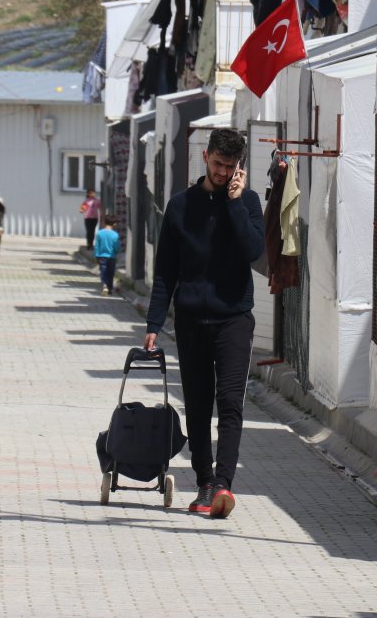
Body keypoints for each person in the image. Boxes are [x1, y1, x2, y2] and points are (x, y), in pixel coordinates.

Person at [144, 128, 264, 519]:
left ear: (239, 167)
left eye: (230, 167)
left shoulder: (248, 202)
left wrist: (232, 204)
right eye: (217, 164)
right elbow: (165, 272)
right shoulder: (180, 206)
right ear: (205, 158)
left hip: (234, 319)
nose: (223, 172)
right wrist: (153, 323)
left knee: (230, 402)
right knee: (197, 404)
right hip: (192, 320)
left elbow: (252, 251)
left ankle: (224, 484)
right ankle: (204, 481)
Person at [93, 214, 120, 295]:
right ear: (114, 224)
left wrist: (96, 255)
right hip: (112, 257)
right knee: (110, 273)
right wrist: (116, 252)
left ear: (105, 222)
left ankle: (104, 285)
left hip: (101, 256)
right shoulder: (115, 234)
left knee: (103, 272)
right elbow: (117, 247)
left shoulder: (100, 233)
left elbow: (97, 246)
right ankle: (110, 288)